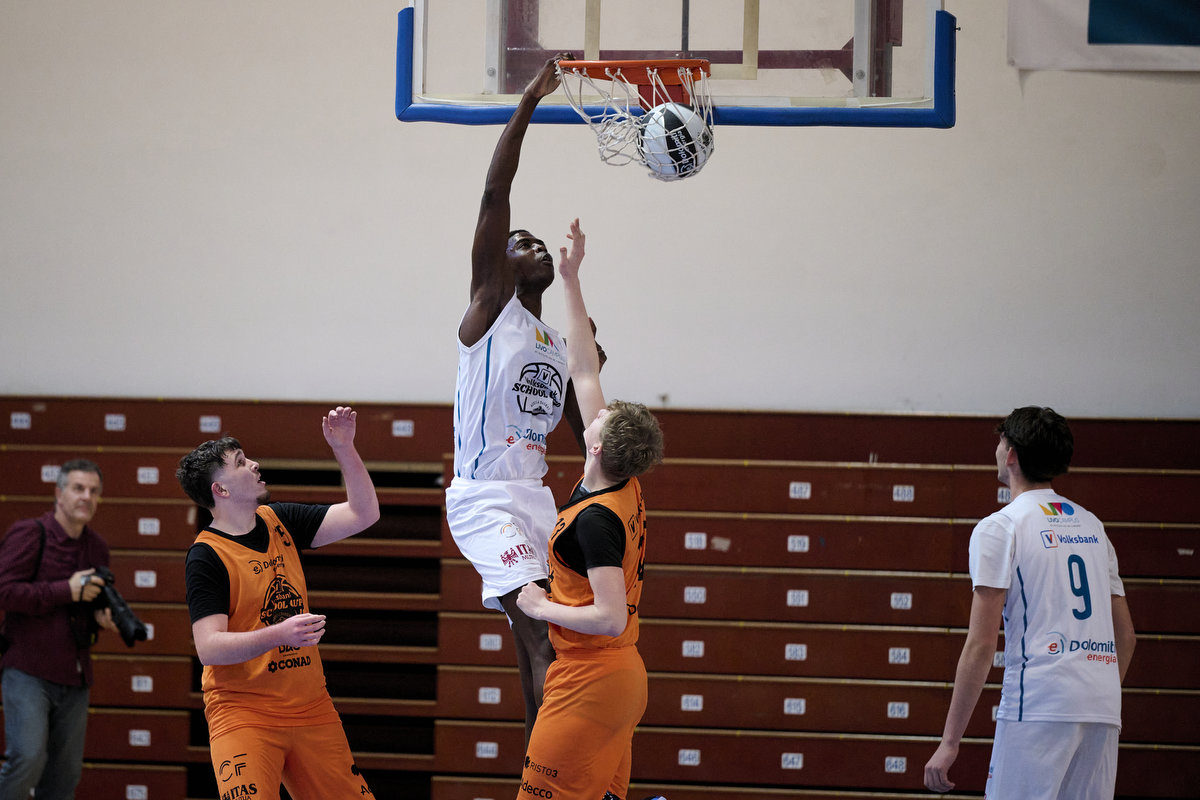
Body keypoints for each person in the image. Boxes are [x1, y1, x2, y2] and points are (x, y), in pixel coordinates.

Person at [445, 54, 594, 744]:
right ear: (498, 264)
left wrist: (599, 494)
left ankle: (538, 772)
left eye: (536, 241)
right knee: (540, 630)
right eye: (517, 241)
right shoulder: (488, 310)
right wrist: (530, 101)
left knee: (539, 641)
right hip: (484, 498)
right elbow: (492, 192)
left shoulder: (555, 343)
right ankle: (550, 776)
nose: (528, 243)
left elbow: (586, 430)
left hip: (537, 498)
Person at [515, 219, 665, 800]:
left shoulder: (597, 520)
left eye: (595, 420)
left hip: (593, 681)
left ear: (597, 446)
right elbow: (582, 367)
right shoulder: (615, 481)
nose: (589, 412)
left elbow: (608, 617)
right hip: (615, 681)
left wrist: (540, 603)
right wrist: (571, 279)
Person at [924, 406, 1136, 798]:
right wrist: (1092, 691)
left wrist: (950, 741)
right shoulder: (1092, 524)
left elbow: (982, 643)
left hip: (1039, 703)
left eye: (1000, 441)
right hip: (1102, 707)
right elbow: (1125, 636)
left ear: (1011, 455)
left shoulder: (1000, 526)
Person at [176, 407, 377, 800]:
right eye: (239, 463)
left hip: (310, 707)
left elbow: (363, 514)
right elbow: (209, 647)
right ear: (221, 490)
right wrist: (279, 633)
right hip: (243, 713)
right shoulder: (206, 555)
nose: (253, 464)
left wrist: (345, 449)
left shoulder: (279, 519)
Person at [0, 458, 117, 800]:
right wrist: (65, 589)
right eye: (78, 488)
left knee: (65, 774)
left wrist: (102, 615)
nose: (86, 497)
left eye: (94, 491)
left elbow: (93, 600)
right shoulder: (30, 533)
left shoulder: (97, 547)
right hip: (28, 670)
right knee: (27, 759)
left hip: (75, 675)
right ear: (59, 493)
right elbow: (4, 590)